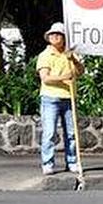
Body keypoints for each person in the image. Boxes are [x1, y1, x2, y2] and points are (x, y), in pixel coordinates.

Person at [36, 22, 84, 175]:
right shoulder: (45, 55)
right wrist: (65, 77)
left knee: (71, 133)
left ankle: (72, 162)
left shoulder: (70, 54)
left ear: (64, 38)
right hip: (50, 98)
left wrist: (73, 59)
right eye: (52, 34)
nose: (54, 37)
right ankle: (47, 163)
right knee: (50, 133)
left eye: (58, 34)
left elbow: (80, 71)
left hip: (69, 98)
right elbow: (45, 78)